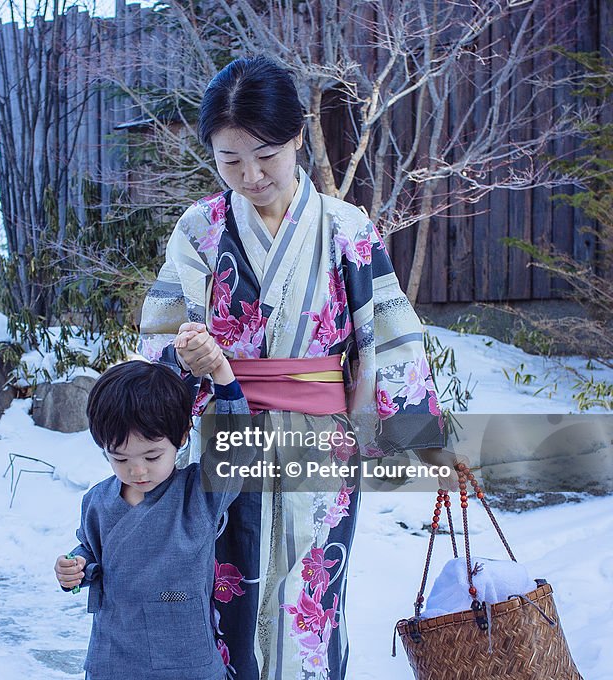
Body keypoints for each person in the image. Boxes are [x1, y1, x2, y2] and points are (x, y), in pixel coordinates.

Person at [138, 56, 459, 679]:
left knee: (311, 601)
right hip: (226, 434)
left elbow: (389, 341)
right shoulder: (198, 230)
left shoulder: (346, 229)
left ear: (297, 139)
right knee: (225, 594)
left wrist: (419, 442)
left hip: (321, 442)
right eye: (230, 160)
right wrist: (182, 364)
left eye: (266, 154)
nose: (251, 175)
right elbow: (159, 340)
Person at [54, 345, 255, 680]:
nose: (137, 471)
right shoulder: (97, 501)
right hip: (113, 659)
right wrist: (74, 567)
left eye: (151, 456)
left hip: (187, 660)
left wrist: (221, 371)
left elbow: (237, 447)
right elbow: (89, 551)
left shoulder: (199, 494)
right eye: (120, 458)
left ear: (181, 437)